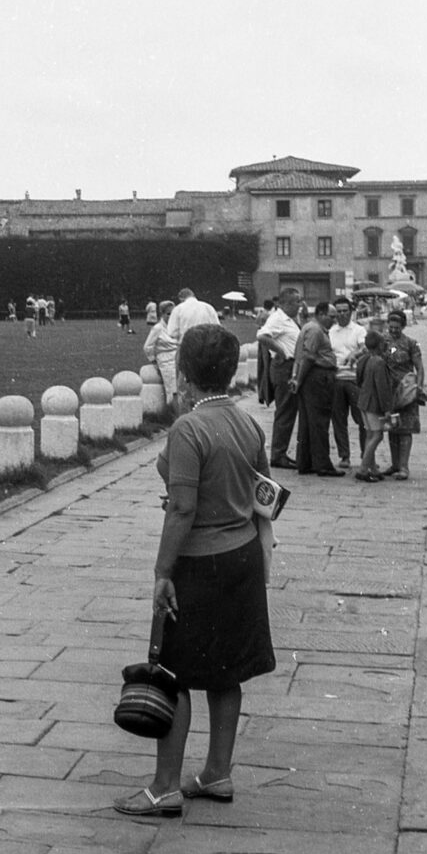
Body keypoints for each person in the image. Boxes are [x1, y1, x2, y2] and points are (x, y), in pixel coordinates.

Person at [113, 324, 275, 818]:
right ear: (229, 371)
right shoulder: (247, 422)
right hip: (243, 556)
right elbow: (264, 492)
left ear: (184, 371)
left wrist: (163, 571)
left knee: (176, 672)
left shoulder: (188, 427)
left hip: (200, 561)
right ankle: (217, 773)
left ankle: (165, 786)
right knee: (227, 672)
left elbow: (181, 509)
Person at [290, 302, 344, 476]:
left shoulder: (309, 327)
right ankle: (322, 464)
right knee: (319, 421)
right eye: (332, 316)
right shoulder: (316, 331)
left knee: (308, 422)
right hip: (318, 377)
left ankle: (306, 462)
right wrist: (298, 379)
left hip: (311, 377)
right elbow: (308, 357)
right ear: (321, 314)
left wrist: (297, 378)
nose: (335, 320)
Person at [256, 286, 302, 468]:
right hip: (284, 367)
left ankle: (280, 452)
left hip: (290, 366)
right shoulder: (278, 318)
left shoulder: (289, 319)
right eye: (297, 301)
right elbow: (262, 336)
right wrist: (280, 351)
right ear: (287, 303)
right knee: (285, 412)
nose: (300, 305)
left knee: (288, 411)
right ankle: (278, 454)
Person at [382, 309, 425, 480]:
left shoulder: (411, 344)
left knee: (405, 429)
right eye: (391, 327)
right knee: (392, 427)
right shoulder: (383, 341)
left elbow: (419, 367)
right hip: (389, 391)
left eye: (397, 327)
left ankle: (404, 466)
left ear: (403, 326)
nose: (393, 330)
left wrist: (418, 386)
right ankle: (394, 464)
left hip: (406, 391)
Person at [329, 296, 367, 467]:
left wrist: (355, 354)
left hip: (354, 379)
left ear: (351, 312)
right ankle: (344, 455)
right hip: (336, 379)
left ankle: (366, 454)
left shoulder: (359, 330)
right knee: (338, 419)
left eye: (345, 311)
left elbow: (365, 347)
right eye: (339, 311)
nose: (342, 314)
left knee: (362, 419)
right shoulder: (330, 331)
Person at [354, 330, 395, 482]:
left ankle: (372, 468)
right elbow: (382, 388)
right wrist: (387, 409)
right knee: (377, 435)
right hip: (374, 404)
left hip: (363, 401)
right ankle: (364, 469)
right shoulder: (379, 362)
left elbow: (358, 379)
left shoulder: (364, 359)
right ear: (380, 344)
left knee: (370, 435)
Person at [143, 300, 178, 410]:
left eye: (173, 314)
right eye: (168, 314)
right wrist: (154, 361)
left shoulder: (176, 327)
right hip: (166, 361)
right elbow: (147, 346)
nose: (171, 316)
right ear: (162, 314)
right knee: (172, 389)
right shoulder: (158, 328)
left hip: (178, 359)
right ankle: (171, 412)